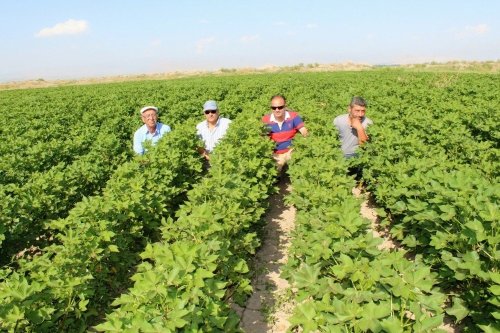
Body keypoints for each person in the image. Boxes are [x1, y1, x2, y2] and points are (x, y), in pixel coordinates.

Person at [262, 95, 308, 171]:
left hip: (292, 151)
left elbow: (304, 132)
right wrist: (273, 154)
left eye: (280, 107)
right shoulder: (266, 120)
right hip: (275, 154)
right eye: (274, 108)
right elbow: (263, 140)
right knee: (276, 169)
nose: (277, 110)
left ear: (285, 106)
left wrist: (296, 149)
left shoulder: (293, 116)